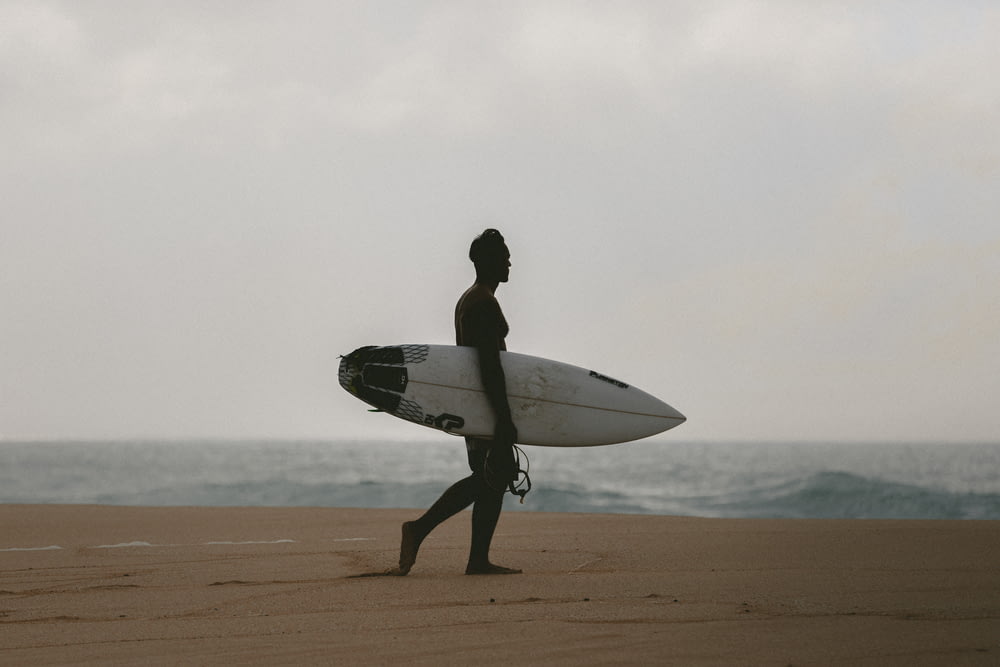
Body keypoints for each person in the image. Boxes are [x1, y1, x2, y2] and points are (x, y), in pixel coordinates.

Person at [392, 229, 523, 576]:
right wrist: (502, 416)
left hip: (475, 402)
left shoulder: (473, 298)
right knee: (492, 475)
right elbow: (488, 366)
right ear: (488, 261)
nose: (510, 261)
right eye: (504, 256)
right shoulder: (481, 302)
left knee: (490, 476)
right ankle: (419, 529)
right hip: (483, 403)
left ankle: (478, 559)